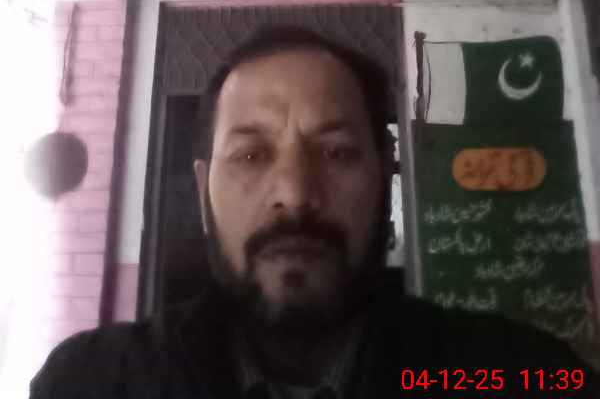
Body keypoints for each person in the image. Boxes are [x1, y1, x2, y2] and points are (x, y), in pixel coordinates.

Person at [30, 26, 599, 398]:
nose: (296, 194)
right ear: (204, 193)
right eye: (251, 155)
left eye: (336, 152)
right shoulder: (90, 383)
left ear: (385, 178)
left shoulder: (523, 376)